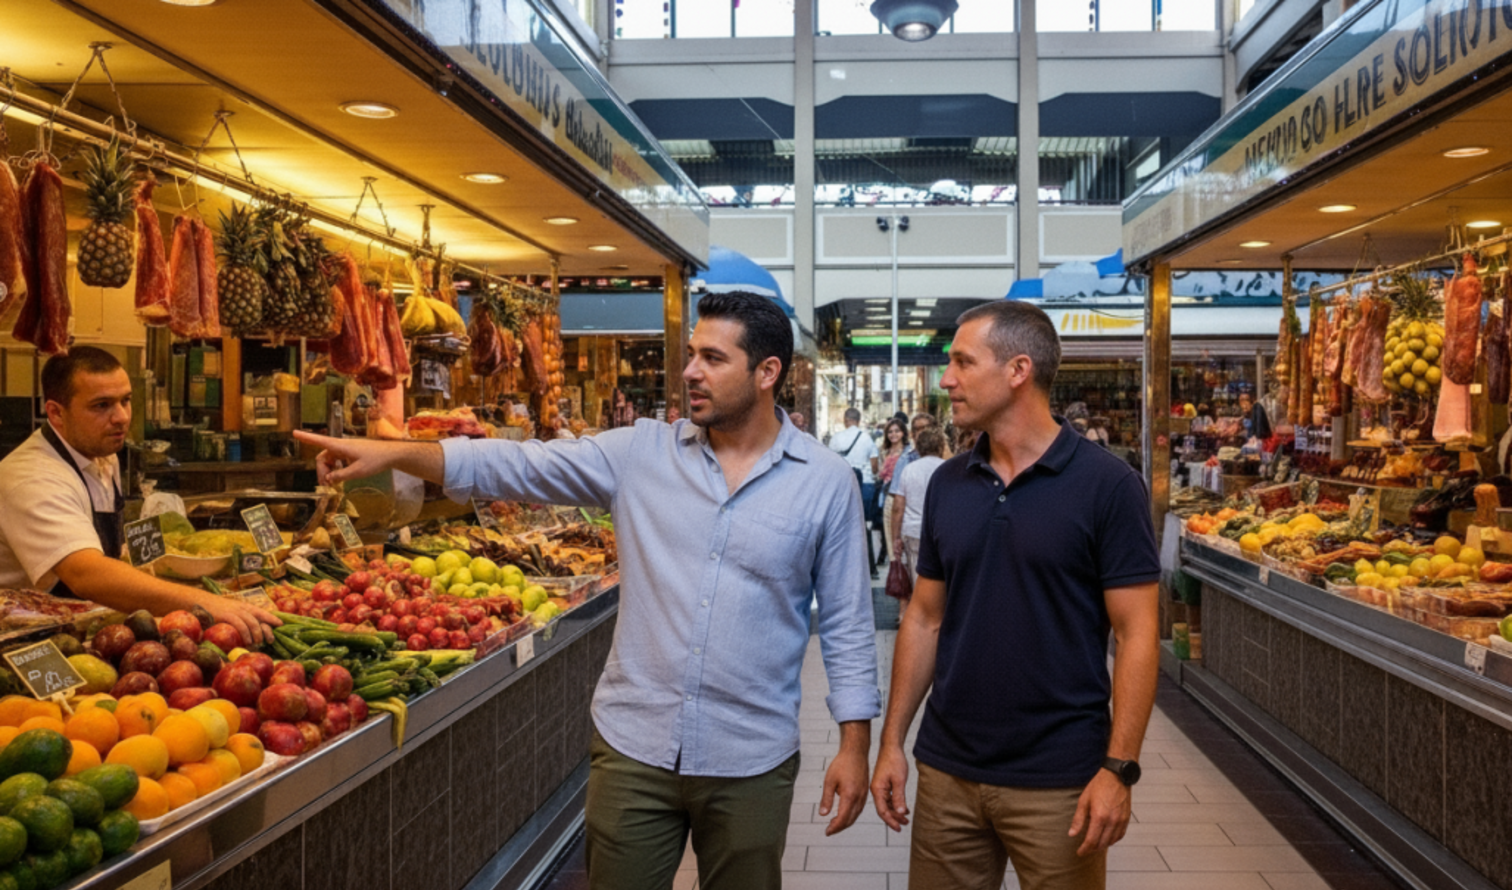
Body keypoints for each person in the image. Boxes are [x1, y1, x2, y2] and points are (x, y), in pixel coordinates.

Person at [295, 291, 879, 890]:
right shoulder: (640, 454)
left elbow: (847, 625)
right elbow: (517, 465)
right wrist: (392, 452)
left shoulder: (825, 484)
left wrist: (855, 746)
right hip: (635, 749)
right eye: (691, 354)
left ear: (767, 373)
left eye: (712, 358)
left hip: (751, 757)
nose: (689, 372)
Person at [869, 300, 1160, 890]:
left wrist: (1119, 769)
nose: (947, 379)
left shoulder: (1108, 487)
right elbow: (924, 620)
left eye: (962, 363)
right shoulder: (950, 484)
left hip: (1061, 779)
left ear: (1018, 370)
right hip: (949, 770)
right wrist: (892, 743)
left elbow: (1137, 634)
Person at [0, 347, 277, 645]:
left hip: (74, 626)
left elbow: (105, 555)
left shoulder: (101, 453)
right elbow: (85, 573)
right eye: (101, 405)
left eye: (125, 400)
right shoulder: (32, 477)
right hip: (19, 642)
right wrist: (204, 602)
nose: (120, 417)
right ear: (56, 412)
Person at [889, 426, 945, 587]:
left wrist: (896, 538)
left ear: (918, 447)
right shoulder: (947, 468)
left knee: (918, 581)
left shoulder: (909, 470)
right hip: (941, 532)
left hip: (913, 532)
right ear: (941, 445)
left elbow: (898, 507)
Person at [829, 406, 880, 575]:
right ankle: (869, 566)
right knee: (864, 526)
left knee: (843, 525)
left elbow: (830, 463)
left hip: (841, 485)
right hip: (865, 485)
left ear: (845, 420)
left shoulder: (836, 438)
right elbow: (874, 466)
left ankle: (845, 566)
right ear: (858, 420)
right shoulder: (866, 438)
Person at [877, 418, 909, 569]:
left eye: (897, 431)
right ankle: (896, 571)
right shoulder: (884, 452)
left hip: (904, 499)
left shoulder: (909, 452)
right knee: (889, 536)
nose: (893, 434)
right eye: (890, 431)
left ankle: (905, 567)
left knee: (902, 535)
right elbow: (879, 474)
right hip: (887, 497)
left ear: (903, 432)